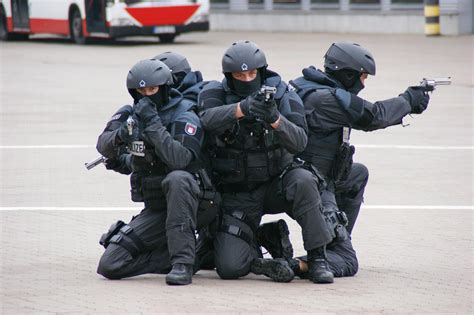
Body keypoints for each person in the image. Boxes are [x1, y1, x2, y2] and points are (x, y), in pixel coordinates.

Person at [278, 41, 430, 278]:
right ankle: (297, 263)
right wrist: (408, 100)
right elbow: (373, 116)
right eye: (362, 77)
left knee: (357, 174)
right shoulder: (327, 99)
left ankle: (336, 238)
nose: (363, 83)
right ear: (348, 75)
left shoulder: (308, 87)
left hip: (305, 177)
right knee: (348, 262)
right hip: (311, 185)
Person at [197, 40, 334, 284]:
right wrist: (242, 108)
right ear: (229, 76)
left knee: (303, 180)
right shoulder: (214, 93)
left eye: (252, 74)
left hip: (276, 184)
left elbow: (300, 141)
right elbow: (206, 120)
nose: (247, 79)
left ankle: (318, 257)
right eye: (240, 74)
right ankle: (263, 240)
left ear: (261, 72)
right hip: (238, 193)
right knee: (229, 268)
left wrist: (275, 120)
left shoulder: (283, 94)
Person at [95, 59, 213, 285]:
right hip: (158, 207)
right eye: (141, 91)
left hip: (196, 203)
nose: (147, 96)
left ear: (165, 88)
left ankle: (182, 264)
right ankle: (187, 256)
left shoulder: (184, 113)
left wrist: (153, 124)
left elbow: (180, 160)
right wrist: (122, 135)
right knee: (110, 264)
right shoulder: (131, 112)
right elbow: (103, 145)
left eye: (153, 89)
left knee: (178, 178)